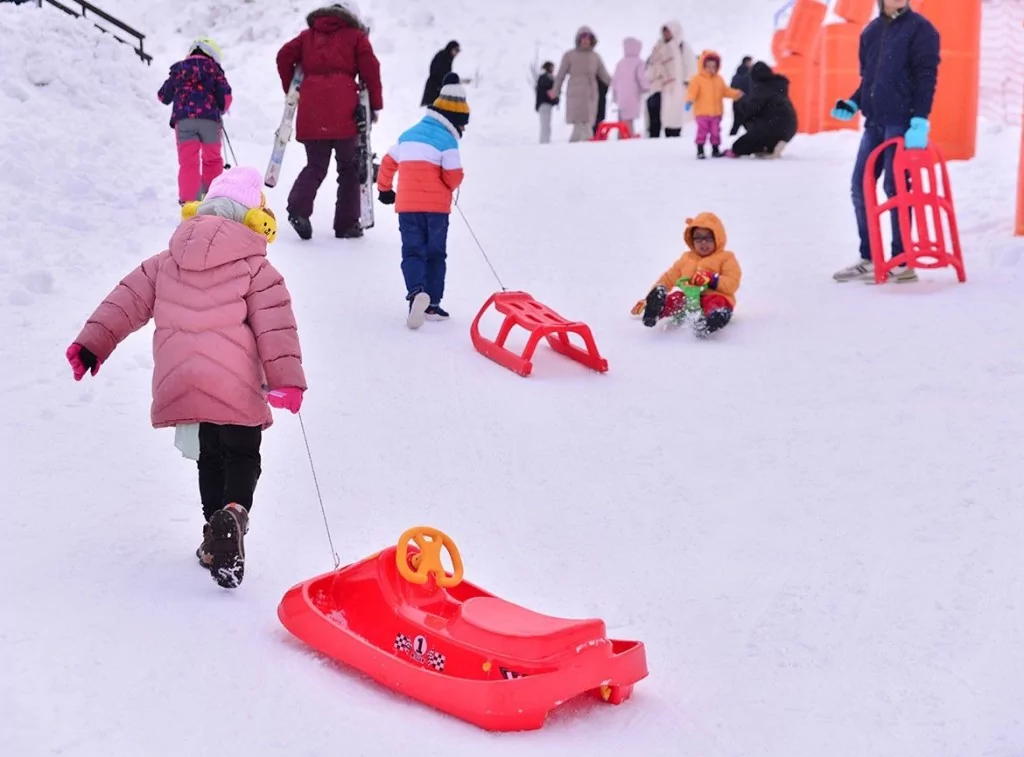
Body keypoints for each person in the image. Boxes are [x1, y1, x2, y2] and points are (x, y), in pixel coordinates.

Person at [63, 167, 307, 590]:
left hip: (183, 379)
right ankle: (233, 515)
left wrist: (92, 344)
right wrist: (286, 380)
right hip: (234, 383)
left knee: (209, 455)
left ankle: (213, 538)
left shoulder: (165, 261)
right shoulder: (257, 269)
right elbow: (276, 326)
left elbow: (124, 302)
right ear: (254, 217)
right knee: (242, 453)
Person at [830, 0, 939, 283]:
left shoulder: (922, 29)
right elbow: (869, 81)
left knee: (896, 188)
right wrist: (854, 103)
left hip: (901, 122)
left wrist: (920, 119)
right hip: (874, 123)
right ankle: (869, 256)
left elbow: (926, 78)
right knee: (860, 186)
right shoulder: (871, 31)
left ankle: (902, 260)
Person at [276, 2, 383, 240]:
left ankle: (298, 209)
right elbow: (371, 69)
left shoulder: (307, 36)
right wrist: (374, 106)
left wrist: (292, 89)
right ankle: (346, 224)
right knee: (349, 169)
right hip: (345, 111)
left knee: (315, 165)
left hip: (312, 111)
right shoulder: (356, 37)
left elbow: (283, 56)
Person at [377, 73, 468, 329]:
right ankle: (432, 305)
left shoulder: (408, 135)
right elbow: (452, 176)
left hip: (408, 209)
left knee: (413, 252)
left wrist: (385, 189)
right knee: (435, 255)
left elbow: (387, 162)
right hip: (436, 211)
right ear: (455, 118)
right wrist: (455, 181)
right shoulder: (447, 141)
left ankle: (416, 292)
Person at [630, 212, 741, 338]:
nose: (703, 242)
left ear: (718, 238)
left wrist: (712, 279)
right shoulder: (686, 259)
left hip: (714, 296)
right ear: (691, 240)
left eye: (708, 238)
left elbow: (732, 283)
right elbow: (668, 278)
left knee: (717, 301)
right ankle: (655, 311)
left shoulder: (726, 258)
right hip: (689, 299)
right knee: (676, 298)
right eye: (698, 238)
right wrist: (647, 299)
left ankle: (714, 319)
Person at [157, 37, 232, 205]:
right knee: (212, 160)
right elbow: (226, 96)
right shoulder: (214, 69)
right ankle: (212, 199)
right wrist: (221, 108)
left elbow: (163, 96)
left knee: (188, 163)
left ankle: (189, 204)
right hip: (210, 122)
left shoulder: (179, 69)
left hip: (184, 122)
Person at [550, 26, 612, 142]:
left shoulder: (595, 57)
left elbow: (604, 75)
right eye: (582, 37)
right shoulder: (569, 55)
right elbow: (560, 75)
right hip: (575, 91)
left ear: (592, 40)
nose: (585, 40)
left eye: (588, 38)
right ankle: (584, 147)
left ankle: (575, 146)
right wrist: (556, 90)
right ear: (578, 39)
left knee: (585, 123)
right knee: (581, 123)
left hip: (591, 93)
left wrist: (618, 85)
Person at [727, 61, 796, 158]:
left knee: (738, 146)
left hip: (773, 127)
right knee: (763, 124)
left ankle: (764, 146)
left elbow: (751, 109)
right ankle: (771, 145)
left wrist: (742, 104)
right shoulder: (778, 85)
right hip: (790, 127)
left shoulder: (762, 88)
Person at [686, 51, 744, 158]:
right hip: (702, 112)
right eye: (708, 66)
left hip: (716, 112)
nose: (711, 69)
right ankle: (700, 150)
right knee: (702, 131)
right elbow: (692, 92)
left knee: (715, 131)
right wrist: (689, 100)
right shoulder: (697, 79)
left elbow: (725, 91)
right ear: (703, 66)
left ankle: (715, 149)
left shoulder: (718, 79)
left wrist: (736, 94)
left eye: (714, 67)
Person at [645, 21, 692, 138]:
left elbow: (690, 66)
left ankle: (672, 136)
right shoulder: (658, 46)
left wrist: (688, 82)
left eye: (668, 31)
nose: (666, 33)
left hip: (676, 87)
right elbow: (651, 64)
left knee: (673, 115)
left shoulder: (682, 46)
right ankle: (653, 138)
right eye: (664, 31)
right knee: (655, 113)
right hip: (657, 86)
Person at [610, 37, 649, 135]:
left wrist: (614, 96)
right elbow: (642, 77)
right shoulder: (639, 62)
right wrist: (647, 88)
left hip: (621, 96)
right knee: (629, 119)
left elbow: (614, 81)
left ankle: (621, 135)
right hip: (633, 95)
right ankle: (628, 136)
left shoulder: (620, 63)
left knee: (622, 118)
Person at [421, 40, 461, 106]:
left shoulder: (448, 57)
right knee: (433, 107)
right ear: (451, 49)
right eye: (456, 50)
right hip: (434, 87)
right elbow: (437, 72)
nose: (457, 53)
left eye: (458, 51)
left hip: (439, 87)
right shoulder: (443, 56)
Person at [728, 55, 753, 136]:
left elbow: (732, 87)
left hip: (737, 102)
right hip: (744, 102)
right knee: (748, 123)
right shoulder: (748, 75)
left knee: (737, 123)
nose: (751, 64)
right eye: (750, 62)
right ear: (746, 62)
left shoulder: (737, 75)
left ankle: (730, 138)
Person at [535, 61, 559, 143]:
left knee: (545, 124)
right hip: (545, 104)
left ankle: (545, 141)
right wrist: (555, 99)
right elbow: (549, 90)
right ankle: (545, 142)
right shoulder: (546, 78)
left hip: (544, 104)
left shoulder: (543, 78)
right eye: (552, 67)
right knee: (545, 125)